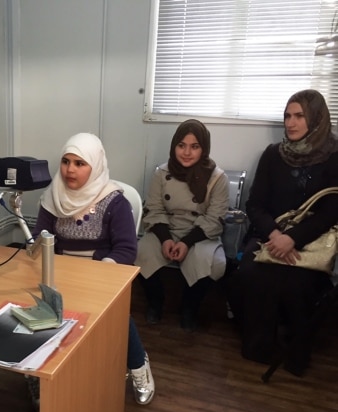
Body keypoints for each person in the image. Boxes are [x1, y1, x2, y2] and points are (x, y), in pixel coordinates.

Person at [30, 132, 155, 406]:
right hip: (60, 272)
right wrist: (34, 245)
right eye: (65, 161)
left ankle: (138, 365)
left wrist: (100, 274)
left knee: (119, 317)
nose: (70, 169)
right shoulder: (52, 197)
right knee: (39, 311)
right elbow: (41, 238)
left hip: (101, 273)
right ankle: (37, 374)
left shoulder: (115, 202)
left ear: (95, 166)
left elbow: (126, 249)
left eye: (79, 163)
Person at [228, 89, 338, 375]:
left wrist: (294, 239)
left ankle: (295, 351)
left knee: (297, 282)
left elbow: (330, 212)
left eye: (299, 115)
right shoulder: (273, 155)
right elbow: (255, 205)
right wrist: (276, 235)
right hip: (268, 235)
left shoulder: (333, 156)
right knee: (248, 274)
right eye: (287, 116)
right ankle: (259, 347)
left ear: (316, 119)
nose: (291, 122)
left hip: (311, 242)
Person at [135, 119, 229, 330]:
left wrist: (187, 242)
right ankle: (155, 302)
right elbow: (154, 209)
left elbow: (215, 218)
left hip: (200, 231)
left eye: (194, 146)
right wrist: (166, 238)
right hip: (167, 227)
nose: (186, 152)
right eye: (181, 145)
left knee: (212, 261)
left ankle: (190, 308)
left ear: (203, 148)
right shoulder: (161, 172)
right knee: (140, 252)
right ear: (174, 146)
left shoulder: (217, 178)